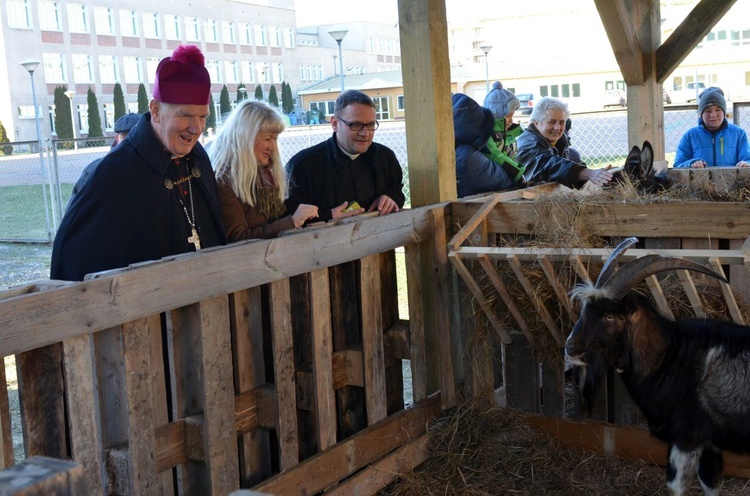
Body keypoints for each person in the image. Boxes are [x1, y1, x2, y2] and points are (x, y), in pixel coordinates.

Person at [51, 45, 227, 281]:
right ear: (156, 110)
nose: (196, 128)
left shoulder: (198, 157)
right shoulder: (112, 174)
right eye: (185, 115)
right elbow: (76, 264)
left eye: (203, 116)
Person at [285, 89, 405, 222]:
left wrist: (390, 197)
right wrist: (328, 216)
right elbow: (289, 220)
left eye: (370, 125)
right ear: (335, 124)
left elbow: (397, 191)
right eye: (356, 125)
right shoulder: (303, 166)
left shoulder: (385, 158)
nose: (365, 133)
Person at [209, 100, 319, 240]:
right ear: (245, 138)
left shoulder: (266, 174)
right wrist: (293, 221)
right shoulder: (223, 180)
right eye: (268, 138)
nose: (272, 147)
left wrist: (328, 215)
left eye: (275, 138)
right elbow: (238, 239)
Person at [516, 96, 614, 188]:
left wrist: (599, 174)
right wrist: (587, 173)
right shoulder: (527, 143)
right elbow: (546, 164)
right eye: (551, 122)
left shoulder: (560, 141)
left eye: (562, 122)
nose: (557, 128)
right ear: (536, 123)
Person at [452, 81, 525, 197]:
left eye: (512, 115)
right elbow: (495, 155)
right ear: (497, 114)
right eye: (507, 115)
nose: (511, 120)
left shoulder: (507, 134)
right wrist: (518, 173)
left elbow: (510, 155)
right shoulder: (488, 132)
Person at [66, 112, 143, 210]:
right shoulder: (95, 171)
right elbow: (74, 212)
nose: (130, 141)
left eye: (136, 135)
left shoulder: (160, 170)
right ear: (117, 138)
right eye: (124, 137)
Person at [674, 87, 750, 168]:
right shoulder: (690, 136)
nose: (713, 115)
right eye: (708, 111)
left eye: (718, 110)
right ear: (701, 114)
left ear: (724, 112)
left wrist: (746, 163)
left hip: (732, 180)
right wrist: (691, 163)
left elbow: (747, 158)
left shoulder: (738, 134)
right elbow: (678, 164)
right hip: (700, 180)